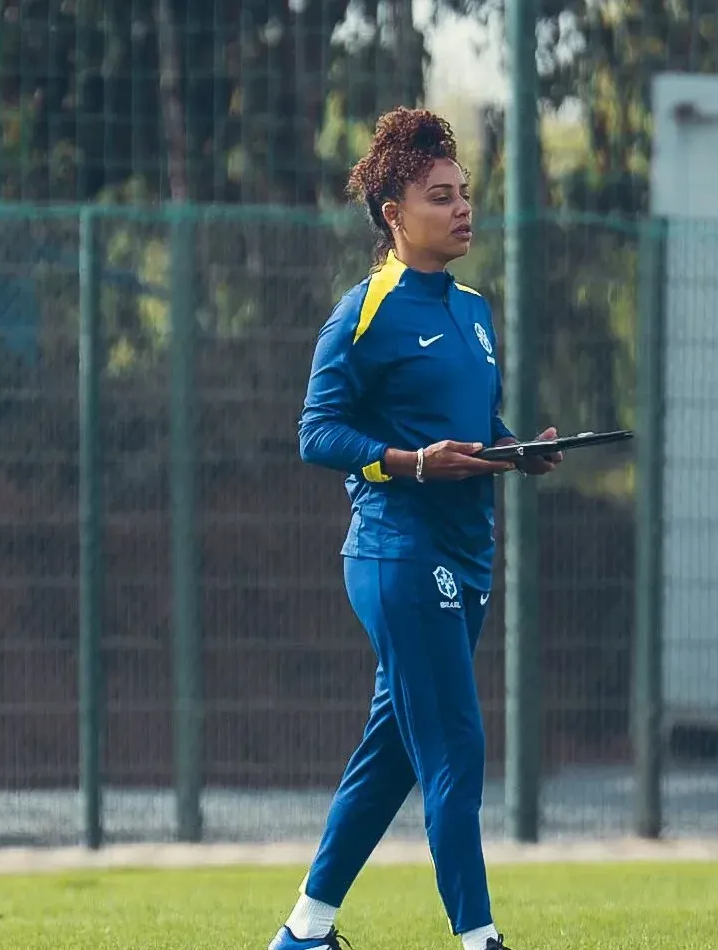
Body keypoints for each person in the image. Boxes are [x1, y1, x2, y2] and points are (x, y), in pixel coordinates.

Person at [273, 107, 561, 950]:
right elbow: (316, 434)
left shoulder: (474, 310)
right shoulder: (364, 310)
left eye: (464, 192)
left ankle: (305, 931)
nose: (463, 207)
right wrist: (409, 463)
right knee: (456, 745)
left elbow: (476, 425)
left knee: (393, 751)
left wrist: (517, 451)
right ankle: (480, 938)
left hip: (466, 554)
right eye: (441, 196)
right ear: (394, 214)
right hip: (397, 553)